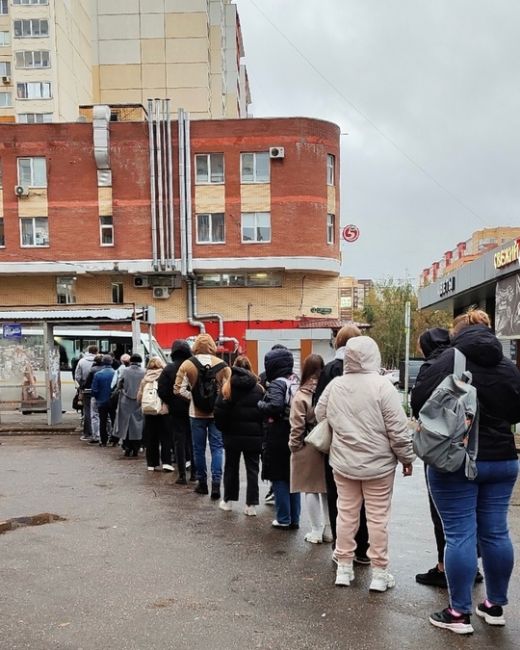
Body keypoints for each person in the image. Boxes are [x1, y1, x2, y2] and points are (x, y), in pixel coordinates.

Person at [410, 309, 520, 635]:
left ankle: (458, 613)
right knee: (496, 532)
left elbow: (419, 402)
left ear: (457, 332)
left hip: (456, 461)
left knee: (459, 534)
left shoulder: (448, 360)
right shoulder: (506, 365)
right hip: (502, 460)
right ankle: (494, 605)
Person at [315, 336, 414, 592]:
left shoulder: (336, 385)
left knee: (346, 513)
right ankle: (379, 573)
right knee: (377, 518)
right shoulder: (383, 386)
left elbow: (319, 414)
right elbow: (398, 429)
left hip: (343, 461)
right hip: (379, 465)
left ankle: (344, 568)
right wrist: (406, 458)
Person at [314, 324, 370, 564]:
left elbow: (319, 407)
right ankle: (363, 548)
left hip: (338, 441)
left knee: (339, 496)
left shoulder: (329, 370)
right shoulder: (370, 371)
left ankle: (342, 547)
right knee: (366, 497)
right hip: (366, 441)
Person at [411, 328, 456, 587]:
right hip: (477, 446)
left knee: (441, 510)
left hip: (441, 446)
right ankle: (470, 565)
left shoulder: (433, 366)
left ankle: (444, 566)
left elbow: (418, 403)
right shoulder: (463, 359)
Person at [174, 333, 231, 499]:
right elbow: (228, 391)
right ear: (212, 346)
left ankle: (202, 483)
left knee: (198, 449)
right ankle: (216, 484)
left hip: (196, 414)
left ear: (196, 346)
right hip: (216, 413)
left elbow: (177, 389)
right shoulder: (223, 365)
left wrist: (193, 398)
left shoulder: (187, 364)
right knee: (217, 448)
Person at [289, 353, 332, 543]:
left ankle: (315, 531)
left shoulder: (301, 395)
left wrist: (294, 446)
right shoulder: (326, 391)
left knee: (310, 489)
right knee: (325, 490)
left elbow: (297, 425)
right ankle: (329, 531)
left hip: (307, 445)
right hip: (325, 443)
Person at [214, 355, 264, 515]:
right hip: (254, 436)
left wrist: (224, 429)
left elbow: (219, 413)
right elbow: (263, 413)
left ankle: (228, 501)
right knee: (252, 469)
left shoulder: (227, 388)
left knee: (231, 468)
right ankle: (251, 505)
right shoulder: (259, 389)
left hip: (232, 436)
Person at [258, 346, 301, 529]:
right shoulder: (296, 380)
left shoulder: (277, 383)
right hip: (295, 432)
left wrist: (260, 404)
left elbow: (275, 406)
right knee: (293, 477)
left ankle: (283, 518)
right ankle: (295, 518)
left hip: (278, 434)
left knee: (278, 476)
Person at [158, 340, 194, 484]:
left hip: (176, 409)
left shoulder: (168, 369)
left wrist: (171, 401)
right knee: (193, 440)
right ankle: (195, 473)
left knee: (179, 440)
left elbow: (161, 390)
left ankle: (182, 475)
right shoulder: (193, 366)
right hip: (193, 408)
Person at [137, 356, 171, 471]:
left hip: (149, 411)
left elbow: (139, 397)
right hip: (163, 411)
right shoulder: (165, 376)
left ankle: (151, 463)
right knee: (165, 437)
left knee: (151, 438)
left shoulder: (145, 378)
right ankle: (166, 462)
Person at [117, 354, 146, 458]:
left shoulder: (125, 371)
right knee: (138, 425)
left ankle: (127, 447)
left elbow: (119, 384)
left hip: (126, 401)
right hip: (139, 401)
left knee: (126, 425)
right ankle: (136, 448)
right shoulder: (144, 372)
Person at [74, 345, 98, 441]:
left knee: (87, 411)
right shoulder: (100, 360)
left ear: (88, 351)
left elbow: (77, 376)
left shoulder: (82, 361)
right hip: (99, 390)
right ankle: (99, 433)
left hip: (86, 390)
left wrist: (82, 385)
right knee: (99, 412)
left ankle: (88, 432)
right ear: (97, 351)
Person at [91, 355, 116, 447]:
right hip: (113, 401)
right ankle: (114, 439)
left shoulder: (98, 374)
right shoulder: (115, 373)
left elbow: (94, 389)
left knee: (102, 421)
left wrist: (97, 398)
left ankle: (103, 440)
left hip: (101, 401)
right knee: (114, 420)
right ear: (111, 362)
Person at [83, 354, 104, 445]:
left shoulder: (93, 370)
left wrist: (83, 387)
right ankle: (108, 434)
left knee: (95, 415)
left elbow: (87, 383)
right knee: (106, 417)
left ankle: (96, 435)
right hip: (106, 396)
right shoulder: (110, 370)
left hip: (95, 395)